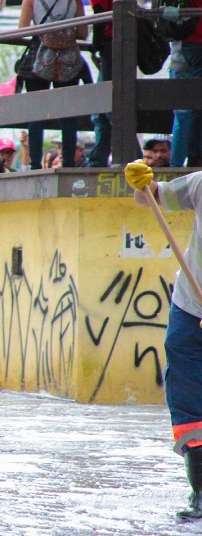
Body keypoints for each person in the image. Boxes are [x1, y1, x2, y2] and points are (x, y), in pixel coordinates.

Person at [125, 159, 202, 522]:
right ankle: (201, 493)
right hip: (190, 307)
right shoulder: (200, 185)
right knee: (190, 405)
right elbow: (153, 198)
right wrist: (143, 186)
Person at [19, 0, 88, 169]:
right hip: (68, 61)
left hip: (39, 59)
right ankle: (68, 162)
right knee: (67, 114)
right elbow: (82, 33)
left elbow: (23, 30)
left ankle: (36, 164)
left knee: (37, 112)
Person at [77, 0, 116, 167]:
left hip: (112, 47)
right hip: (112, 46)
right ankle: (99, 159)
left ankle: (132, 157)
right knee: (103, 111)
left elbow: (102, 21)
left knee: (109, 107)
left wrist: (96, 47)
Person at [169, 0, 202, 168]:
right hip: (200, 42)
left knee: (182, 109)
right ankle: (195, 156)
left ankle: (176, 164)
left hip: (181, 45)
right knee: (198, 102)